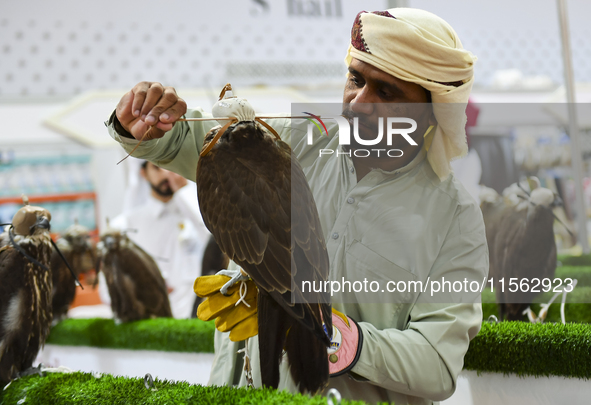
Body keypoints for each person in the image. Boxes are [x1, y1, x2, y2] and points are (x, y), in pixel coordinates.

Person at [105, 8, 488, 405]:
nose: (359, 102)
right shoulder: (289, 143)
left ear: (429, 113)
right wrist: (145, 125)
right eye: (356, 79)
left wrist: (337, 338)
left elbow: (438, 364)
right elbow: (187, 143)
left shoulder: (455, 220)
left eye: (386, 93)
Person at [98, 160, 211, 319]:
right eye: (157, 167)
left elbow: (220, 246)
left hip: (198, 318)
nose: (166, 173)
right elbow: (107, 288)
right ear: (143, 173)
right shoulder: (123, 226)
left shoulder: (197, 218)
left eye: (172, 166)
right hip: (148, 320)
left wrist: (185, 193)